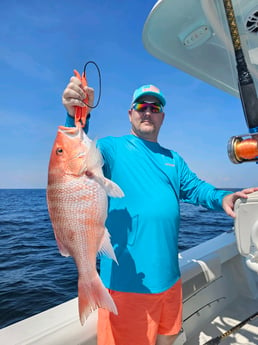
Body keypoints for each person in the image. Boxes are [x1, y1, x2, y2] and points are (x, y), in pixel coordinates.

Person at [62, 76, 258, 345]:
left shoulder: (172, 159)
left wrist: (223, 197)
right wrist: (76, 114)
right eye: (142, 106)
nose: (148, 112)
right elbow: (74, 152)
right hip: (126, 286)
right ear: (130, 113)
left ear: (162, 117)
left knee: (167, 341)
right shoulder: (110, 148)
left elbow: (198, 189)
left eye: (155, 108)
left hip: (169, 281)